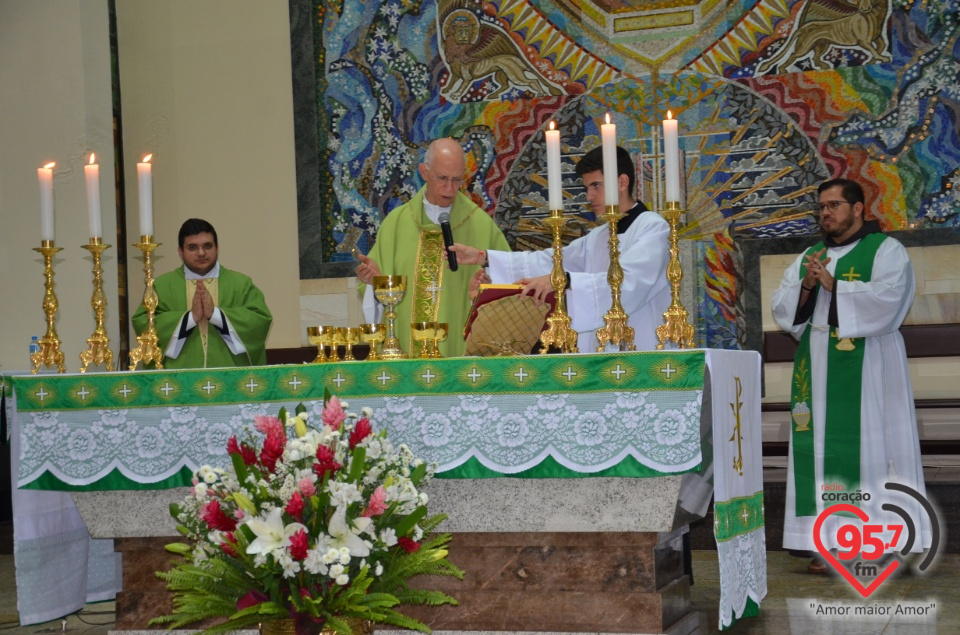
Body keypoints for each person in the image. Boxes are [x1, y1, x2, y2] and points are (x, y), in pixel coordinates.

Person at [771, 178, 931, 573]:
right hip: (818, 364)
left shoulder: (886, 251)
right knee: (821, 451)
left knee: (869, 448)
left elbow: (891, 301)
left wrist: (836, 286)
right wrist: (807, 286)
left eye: (835, 205)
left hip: (869, 366)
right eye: (822, 206)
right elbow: (783, 305)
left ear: (859, 208)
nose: (826, 212)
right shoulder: (811, 254)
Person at [450, 145, 671, 352]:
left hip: (642, 346)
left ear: (622, 182)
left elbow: (630, 284)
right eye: (587, 188)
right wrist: (484, 257)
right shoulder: (598, 236)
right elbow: (550, 261)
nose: (589, 196)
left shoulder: (653, 227)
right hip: (599, 351)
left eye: (596, 185)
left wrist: (564, 280)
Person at [355, 138, 510, 357]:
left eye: (457, 180)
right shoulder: (396, 224)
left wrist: (487, 288)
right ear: (424, 172)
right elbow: (377, 293)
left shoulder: (481, 225)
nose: (449, 188)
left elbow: (509, 287)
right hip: (406, 353)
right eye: (442, 178)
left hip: (459, 353)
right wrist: (375, 282)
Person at [132, 218, 273, 369]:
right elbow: (145, 326)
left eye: (207, 246)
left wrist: (216, 315)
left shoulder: (241, 284)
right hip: (179, 380)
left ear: (217, 248)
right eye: (192, 247)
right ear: (180, 251)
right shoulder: (161, 286)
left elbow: (259, 322)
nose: (201, 253)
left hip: (230, 378)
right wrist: (190, 318)